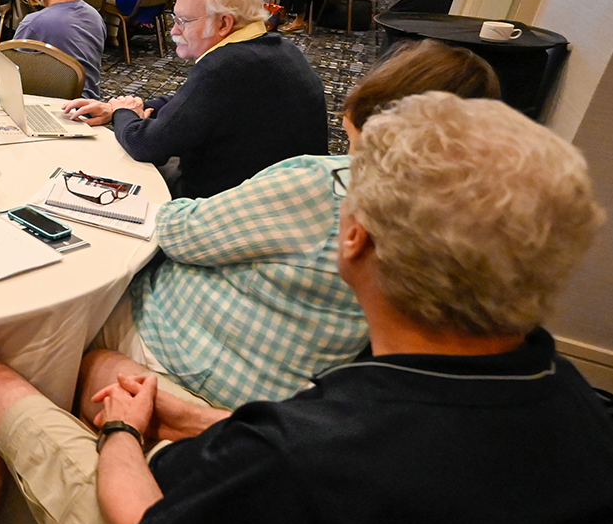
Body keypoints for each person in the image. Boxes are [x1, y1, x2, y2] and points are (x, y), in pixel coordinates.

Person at [0, 90, 613, 524]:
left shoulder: (298, 461)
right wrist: (212, 423)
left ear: (354, 240)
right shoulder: (587, 422)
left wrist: (118, 429)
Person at [100, 40, 500, 410]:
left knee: (75, 313)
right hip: (294, 380)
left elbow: (180, 234)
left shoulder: (326, 185)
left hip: (195, 359)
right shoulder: (460, 221)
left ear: (377, 103)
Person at [69, 0, 327, 199]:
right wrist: (137, 106)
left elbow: (145, 145)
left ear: (224, 23)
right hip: (288, 198)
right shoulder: (277, 48)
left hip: (225, 209)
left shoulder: (226, 66)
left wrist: (121, 112)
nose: (173, 31)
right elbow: (192, 101)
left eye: (183, 21)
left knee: (105, 175)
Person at [13, 0, 106, 99]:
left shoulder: (33, 24)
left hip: (53, 113)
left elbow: (10, 80)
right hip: (89, 111)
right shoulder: (95, 17)